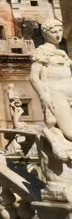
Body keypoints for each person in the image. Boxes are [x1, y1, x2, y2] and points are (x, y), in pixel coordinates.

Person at [30, 19, 72, 153]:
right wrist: (43, 96)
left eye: (60, 30)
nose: (58, 35)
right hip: (56, 94)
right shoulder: (41, 51)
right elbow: (34, 77)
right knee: (70, 132)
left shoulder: (63, 52)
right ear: (45, 34)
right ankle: (53, 138)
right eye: (54, 32)